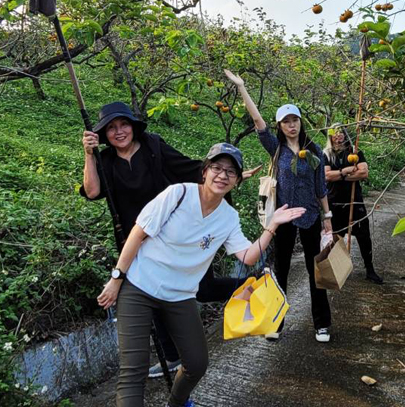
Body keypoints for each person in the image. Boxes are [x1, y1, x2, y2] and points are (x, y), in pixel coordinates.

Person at [97, 142, 305, 407]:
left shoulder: (228, 217)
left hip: (180, 297)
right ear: (205, 171)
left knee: (197, 362)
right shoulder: (176, 194)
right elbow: (137, 233)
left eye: (231, 171)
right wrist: (117, 278)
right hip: (139, 287)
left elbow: (247, 256)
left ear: (237, 180)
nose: (222, 175)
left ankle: (176, 404)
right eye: (217, 168)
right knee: (131, 374)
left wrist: (273, 225)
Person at [81, 101, 260, 377]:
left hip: (176, 235)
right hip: (137, 239)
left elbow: (186, 167)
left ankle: (251, 285)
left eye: (124, 125)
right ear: (104, 134)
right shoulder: (105, 161)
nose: (119, 132)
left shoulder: (153, 146)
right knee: (151, 296)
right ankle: (172, 356)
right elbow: (92, 191)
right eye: (112, 128)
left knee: (203, 289)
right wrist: (89, 154)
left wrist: (226, 178)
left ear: (133, 126)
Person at [230, 74, 334, 343]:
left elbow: (321, 186)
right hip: (284, 216)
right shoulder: (276, 149)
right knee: (280, 271)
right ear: (280, 125)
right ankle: (275, 322)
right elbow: (257, 123)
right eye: (286, 122)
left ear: (301, 122)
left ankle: (322, 324)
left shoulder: (314, 153)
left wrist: (328, 217)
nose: (291, 125)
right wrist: (242, 88)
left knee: (316, 271)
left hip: (310, 216)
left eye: (295, 120)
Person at [323, 124, 383, 284]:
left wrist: (341, 175)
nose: (338, 135)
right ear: (330, 136)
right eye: (335, 133)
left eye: (341, 132)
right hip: (335, 201)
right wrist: (347, 172)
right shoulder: (327, 154)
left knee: (364, 235)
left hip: (354, 200)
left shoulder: (355, 152)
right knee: (336, 238)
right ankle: (338, 269)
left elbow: (363, 172)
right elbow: (327, 176)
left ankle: (370, 269)